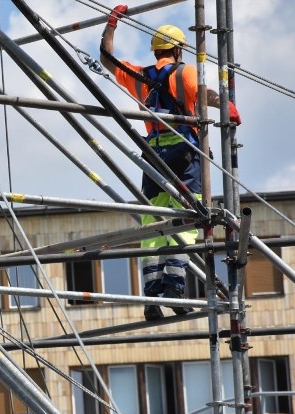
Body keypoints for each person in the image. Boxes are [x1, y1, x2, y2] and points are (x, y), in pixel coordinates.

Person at [99, 6, 241, 320]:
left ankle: (151, 298)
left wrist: (112, 24)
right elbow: (205, 95)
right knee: (189, 219)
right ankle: (175, 289)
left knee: (153, 225)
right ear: (177, 50)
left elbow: (106, 59)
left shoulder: (140, 77)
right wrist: (227, 105)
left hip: (152, 154)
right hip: (183, 152)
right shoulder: (185, 71)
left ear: (156, 50)